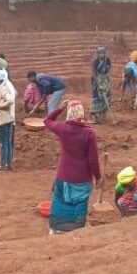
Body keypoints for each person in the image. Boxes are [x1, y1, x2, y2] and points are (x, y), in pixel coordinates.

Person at [44, 99, 101, 234]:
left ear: (69, 113)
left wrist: (59, 108)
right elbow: (93, 160)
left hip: (63, 177)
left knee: (60, 202)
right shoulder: (89, 133)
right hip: (82, 179)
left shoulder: (63, 129)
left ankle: (56, 228)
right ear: (81, 114)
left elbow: (47, 120)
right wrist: (98, 177)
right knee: (79, 205)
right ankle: (76, 230)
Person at [0, 69, 16, 171]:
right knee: (7, 142)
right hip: (8, 119)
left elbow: (10, 100)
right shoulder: (7, 86)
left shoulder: (2, 89)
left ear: (1, 81)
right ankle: (8, 164)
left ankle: (3, 165)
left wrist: (1, 105)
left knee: (3, 144)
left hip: (2, 120)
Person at [90, 46, 115, 124]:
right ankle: (95, 116)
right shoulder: (95, 61)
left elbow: (109, 67)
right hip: (97, 80)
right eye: (100, 53)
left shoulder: (107, 60)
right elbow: (94, 73)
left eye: (103, 53)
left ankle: (102, 116)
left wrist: (107, 74)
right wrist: (99, 84)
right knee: (98, 98)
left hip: (105, 80)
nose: (102, 55)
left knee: (106, 97)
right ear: (97, 54)